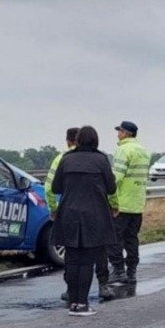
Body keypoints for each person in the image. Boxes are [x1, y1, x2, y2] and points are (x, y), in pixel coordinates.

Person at [51, 126, 117, 316]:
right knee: (87, 260)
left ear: (78, 140)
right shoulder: (101, 159)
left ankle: (73, 302)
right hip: (94, 215)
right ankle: (82, 304)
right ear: (96, 140)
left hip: (69, 213)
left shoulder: (66, 159)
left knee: (72, 260)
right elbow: (111, 188)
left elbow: (56, 187)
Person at [100, 120, 150, 286]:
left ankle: (118, 270)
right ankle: (132, 271)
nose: (118, 134)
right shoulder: (144, 151)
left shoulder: (123, 150)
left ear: (126, 133)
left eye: (120, 131)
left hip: (121, 203)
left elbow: (116, 178)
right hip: (137, 203)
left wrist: (108, 196)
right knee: (132, 238)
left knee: (114, 238)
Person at [45, 127, 79, 303]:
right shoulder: (98, 157)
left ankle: (71, 290)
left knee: (70, 251)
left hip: (66, 210)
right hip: (91, 213)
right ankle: (102, 284)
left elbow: (49, 187)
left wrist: (53, 208)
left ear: (68, 141)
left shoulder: (61, 159)